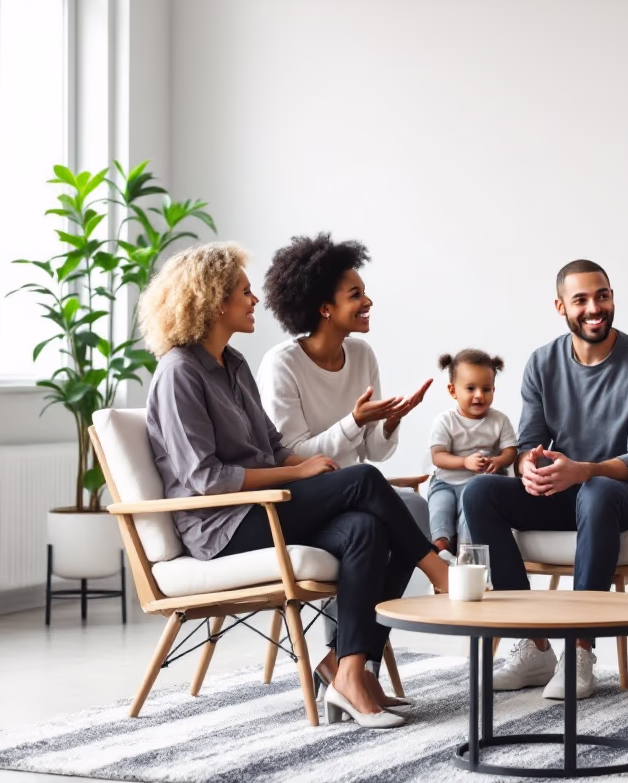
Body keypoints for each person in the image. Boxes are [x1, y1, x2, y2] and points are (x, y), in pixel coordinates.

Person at [140, 242, 451, 731]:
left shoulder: (234, 364)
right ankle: (440, 573)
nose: (254, 301)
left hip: (265, 508)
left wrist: (306, 465)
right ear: (214, 301)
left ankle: (348, 671)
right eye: (244, 292)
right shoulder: (179, 373)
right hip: (223, 524)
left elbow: (272, 445)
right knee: (365, 480)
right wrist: (297, 472)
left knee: (365, 530)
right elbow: (206, 480)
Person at [462, 260, 628, 700]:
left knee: (596, 491)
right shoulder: (541, 363)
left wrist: (585, 469)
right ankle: (534, 646)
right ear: (561, 306)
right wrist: (528, 468)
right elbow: (530, 442)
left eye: (603, 296)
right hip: (572, 489)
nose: (595, 308)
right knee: (481, 491)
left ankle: (579, 651)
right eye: (581, 300)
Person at [256, 233, 434, 539]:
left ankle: (385, 591)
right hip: (304, 497)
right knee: (395, 512)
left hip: (356, 488)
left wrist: (390, 423)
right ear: (325, 308)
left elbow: (374, 452)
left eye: (364, 293)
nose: (368, 302)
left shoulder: (361, 354)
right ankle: (436, 572)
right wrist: (354, 422)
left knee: (415, 506)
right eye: (355, 295)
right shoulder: (281, 365)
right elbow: (292, 455)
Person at [427, 349, 518, 558]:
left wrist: (499, 460)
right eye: (470, 388)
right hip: (446, 483)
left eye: (486, 389)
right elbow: (438, 456)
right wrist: (464, 462)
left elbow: (511, 451)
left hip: (478, 488)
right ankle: (441, 547)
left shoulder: (499, 420)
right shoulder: (445, 421)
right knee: (440, 508)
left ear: (494, 390)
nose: (479, 395)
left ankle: (465, 556)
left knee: (469, 516)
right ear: (452, 391)